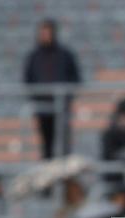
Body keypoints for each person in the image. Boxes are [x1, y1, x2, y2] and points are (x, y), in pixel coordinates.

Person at [23, 19, 82, 159]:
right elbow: (28, 79)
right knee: (46, 144)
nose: (45, 35)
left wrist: (67, 97)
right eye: (42, 32)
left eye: (47, 32)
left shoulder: (65, 55)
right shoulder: (34, 57)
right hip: (43, 107)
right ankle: (47, 172)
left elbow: (75, 78)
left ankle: (65, 171)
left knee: (63, 142)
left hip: (61, 106)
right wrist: (36, 97)